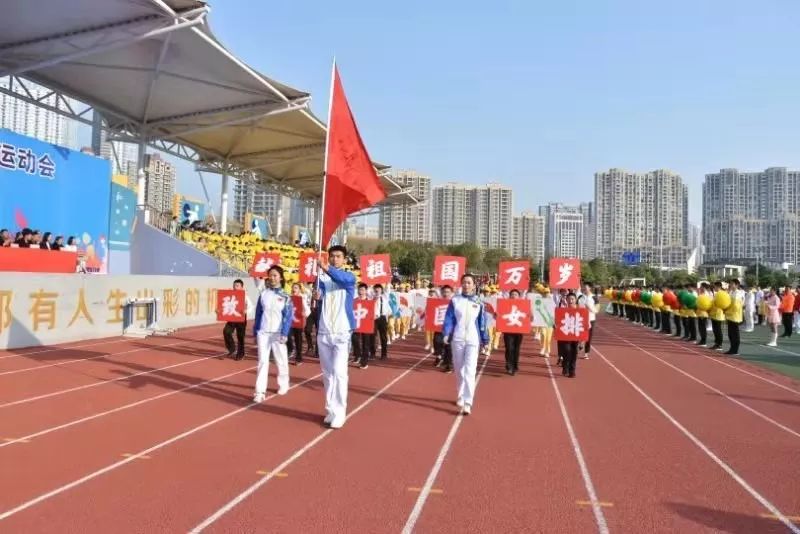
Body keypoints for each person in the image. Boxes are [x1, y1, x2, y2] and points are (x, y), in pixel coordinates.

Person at [314, 245, 357, 429]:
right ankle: (331, 410)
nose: (334, 259)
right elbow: (321, 296)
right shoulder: (321, 279)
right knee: (327, 374)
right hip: (324, 331)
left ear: (344, 260)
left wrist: (326, 268)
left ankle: (340, 412)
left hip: (341, 331)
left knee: (339, 373)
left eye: (338, 256)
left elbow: (341, 278)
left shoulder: (349, 278)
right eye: (332, 256)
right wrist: (317, 295)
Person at [443, 273, 489, 415]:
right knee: (459, 369)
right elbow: (449, 318)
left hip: (472, 339)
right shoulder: (455, 300)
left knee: (470, 370)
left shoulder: (479, 302)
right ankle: (460, 394)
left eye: (469, 282)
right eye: (464, 282)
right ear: (461, 284)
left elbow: (482, 323)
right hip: (457, 338)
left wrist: (485, 340)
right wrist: (446, 333)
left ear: (474, 285)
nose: (466, 285)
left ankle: (468, 402)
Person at [252, 266, 293, 402]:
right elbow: (258, 314)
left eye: (275, 275)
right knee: (262, 361)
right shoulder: (264, 293)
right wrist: (255, 330)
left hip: (277, 332)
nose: (272, 278)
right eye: (270, 275)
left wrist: (285, 333)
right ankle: (259, 392)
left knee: (280, 360)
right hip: (263, 332)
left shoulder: (285, 296)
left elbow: (288, 316)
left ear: (280, 277)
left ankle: (283, 383)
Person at [222, 279, 253, 360]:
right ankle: (232, 348)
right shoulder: (230, 295)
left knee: (240, 337)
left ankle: (240, 354)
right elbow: (224, 305)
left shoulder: (245, 296)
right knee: (226, 331)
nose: (235, 287)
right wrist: (219, 311)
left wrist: (246, 311)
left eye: (237, 286)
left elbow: (251, 307)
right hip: (232, 317)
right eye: (234, 285)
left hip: (241, 318)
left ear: (242, 287)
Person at [287, 283, 311, 366]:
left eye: (296, 288)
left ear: (299, 289)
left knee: (298, 340)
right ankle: (291, 349)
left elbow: (308, 311)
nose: (294, 289)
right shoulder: (289, 298)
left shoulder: (302, 299)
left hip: (299, 322)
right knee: (287, 335)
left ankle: (298, 358)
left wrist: (304, 314)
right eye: (293, 287)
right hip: (290, 321)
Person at [351, 283, 374, 369]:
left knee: (366, 343)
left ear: (366, 291)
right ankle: (357, 355)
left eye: (363, 290)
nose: (361, 292)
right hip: (356, 324)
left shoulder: (369, 301)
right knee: (354, 340)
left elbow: (373, 312)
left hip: (366, 325)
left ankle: (364, 362)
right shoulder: (354, 301)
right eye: (359, 290)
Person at [502, 289, 524, 375]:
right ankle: (509, 365)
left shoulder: (523, 305)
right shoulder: (505, 305)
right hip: (508, 331)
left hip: (519, 331)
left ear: (519, 296)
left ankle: (515, 365)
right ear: (509, 296)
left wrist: (531, 315)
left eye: (516, 294)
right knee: (509, 347)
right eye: (512, 294)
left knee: (516, 348)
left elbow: (527, 316)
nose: (514, 296)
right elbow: (500, 314)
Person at [433, 285, 455, 373]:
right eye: (444, 292)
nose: (446, 294)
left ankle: (448, 365)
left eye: (448, 292)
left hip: (450, 328)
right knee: (437, 341)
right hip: (439, 326)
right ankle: (439, 356)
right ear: (441, 293)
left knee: (448, 346)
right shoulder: (438, 301)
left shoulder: (455, 302)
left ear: (451, 293)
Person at [560, 292, 581, 378]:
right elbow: (558, 322)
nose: (570, 301)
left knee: (574, 352)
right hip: (566, 335)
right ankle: (565, 367)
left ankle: (572, 371)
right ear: (566, 300)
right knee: (567, 351)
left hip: (576, 335)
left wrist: (582, 340)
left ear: (575, 300)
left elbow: (585, 325)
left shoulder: (580, 311)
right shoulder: (562, 311)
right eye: (569, 299)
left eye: (572, 299)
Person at [725, 279, 745, 356]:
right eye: (730, 283)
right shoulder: (731, 292)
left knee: (735, 333)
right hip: (730, 315)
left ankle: (735, 350)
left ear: (737, 285)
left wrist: (727, 310)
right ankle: (731, 348)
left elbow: (735, 306)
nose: (731, 285)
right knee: (730, 333)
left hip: (735, 316)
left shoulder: (738, 293)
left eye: (732, 284)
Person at [577, 282, 597, 359]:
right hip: (581, 319)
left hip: (591, 319)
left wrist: (590, 308)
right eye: (583, 287)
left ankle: (586, 353)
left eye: (586, 287)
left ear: (590, 288)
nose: (584, 288)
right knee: (581, 334)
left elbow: (597, 310)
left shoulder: (594, 297)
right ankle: (581, 343)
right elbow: (576, 307)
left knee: (589, 336)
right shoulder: (580, 297)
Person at [372, 284, 391, 360]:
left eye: (379, 289)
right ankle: (372, 353)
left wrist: (387, 281)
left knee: (383, 336)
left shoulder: (385, 297)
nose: (377, 290)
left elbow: (387, 288)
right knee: (373, 336)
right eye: (376, 289)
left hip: (382, 317)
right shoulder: (371, 297)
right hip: (374, 318)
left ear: (381, 290)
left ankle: (384, 354)